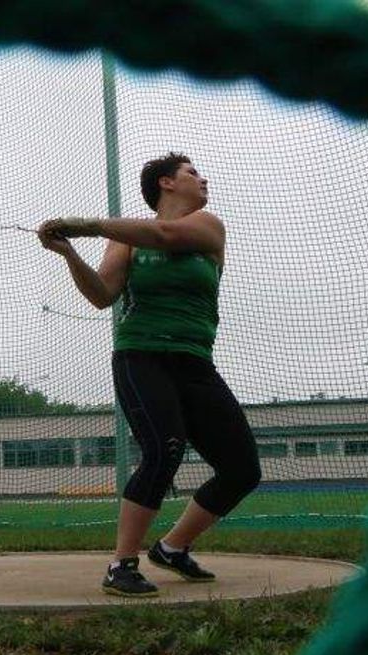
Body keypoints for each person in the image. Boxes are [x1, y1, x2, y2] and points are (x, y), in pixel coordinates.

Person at [37, 152, 261, 597]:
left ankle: (172, 547)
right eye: (192, 173)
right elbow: (102, 295)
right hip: (141, 357)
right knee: (164, 448)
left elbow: (163, 233)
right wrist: (69, 252)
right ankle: (122, 564)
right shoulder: (126, 240)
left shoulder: (207, 226)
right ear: (166, 183)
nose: (203, 179)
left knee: (241, 469)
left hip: (195, 362)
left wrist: (87, 224)